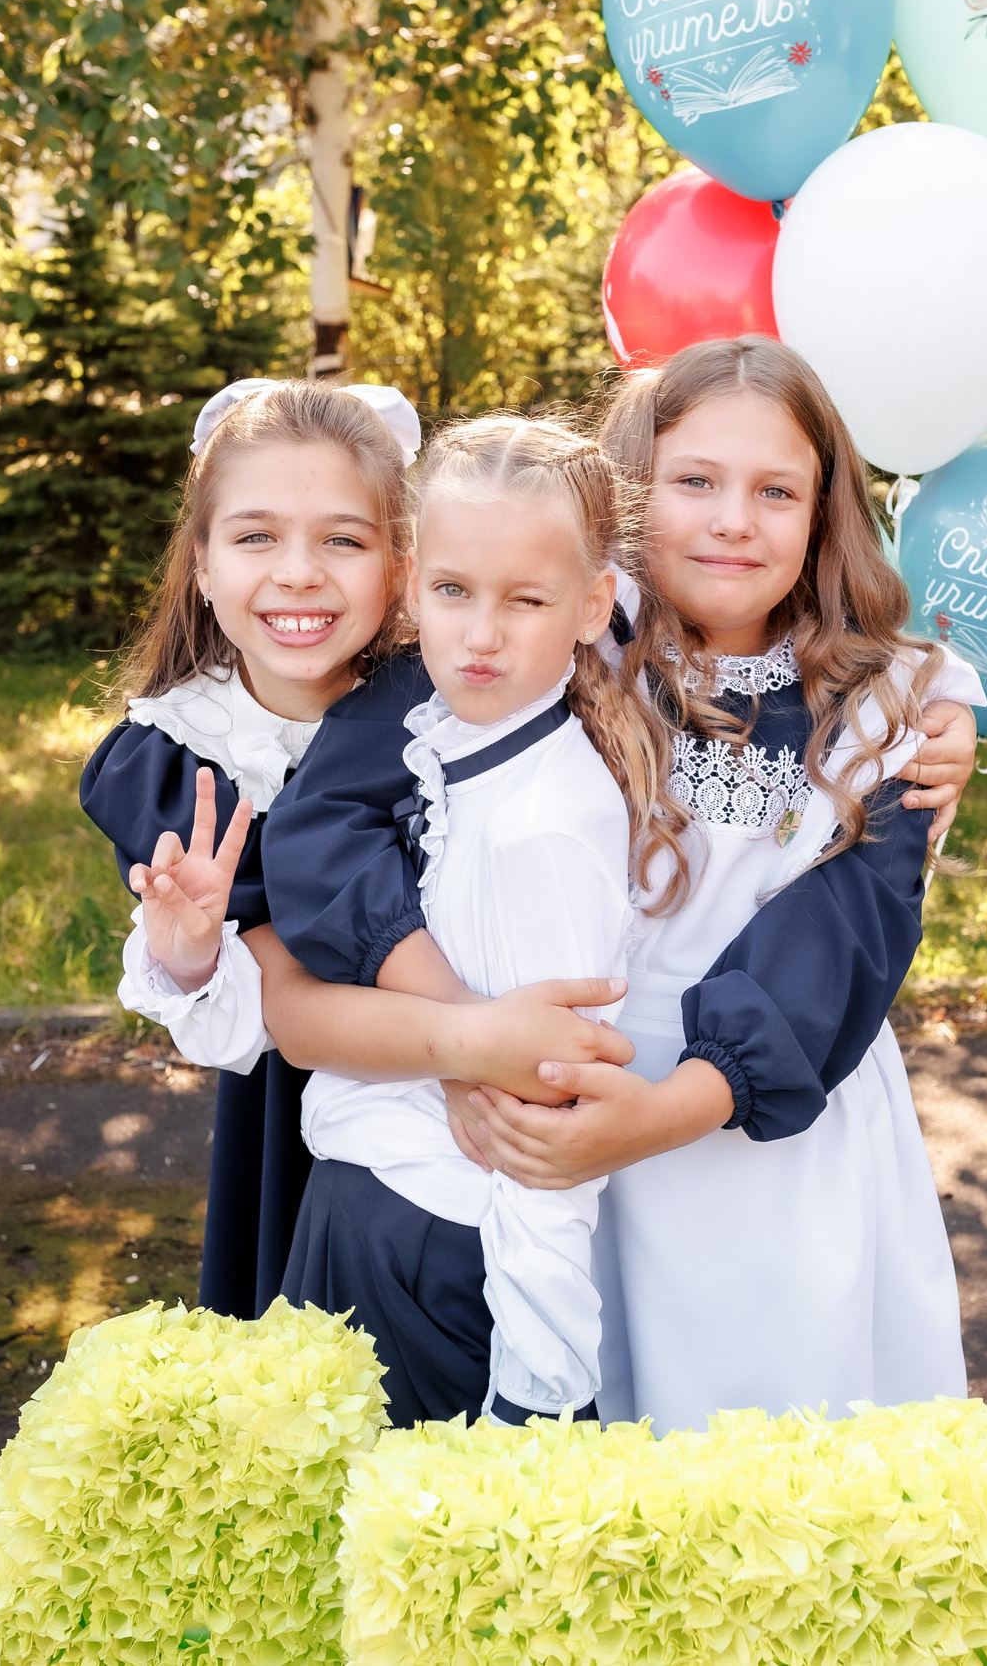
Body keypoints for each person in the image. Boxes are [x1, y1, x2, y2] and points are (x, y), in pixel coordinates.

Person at [142, 337, 981, 1432]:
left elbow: (841, 942)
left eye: (777, 491)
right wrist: (470, 1035)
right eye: (693, 481)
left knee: (771, 1442)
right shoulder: (551, 629)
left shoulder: (887, 711)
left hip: (767, 1127)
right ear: (628, 499)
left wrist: (669, 1110)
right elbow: (330, 825)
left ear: (825, 512)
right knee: (595, 1436)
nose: (733, 520)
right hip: (553, 1108)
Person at [138, 414, 678, 1429]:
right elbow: (267, 995)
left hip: (435, 1229)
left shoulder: (532, 808)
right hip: (350, 1188)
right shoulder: (432, 740)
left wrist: (538, 1393)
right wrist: (193, 954)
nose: (482, 633)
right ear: (417, 584)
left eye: (524, 600)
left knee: (398, 1503)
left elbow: (544, 1126)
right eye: (454, 592)